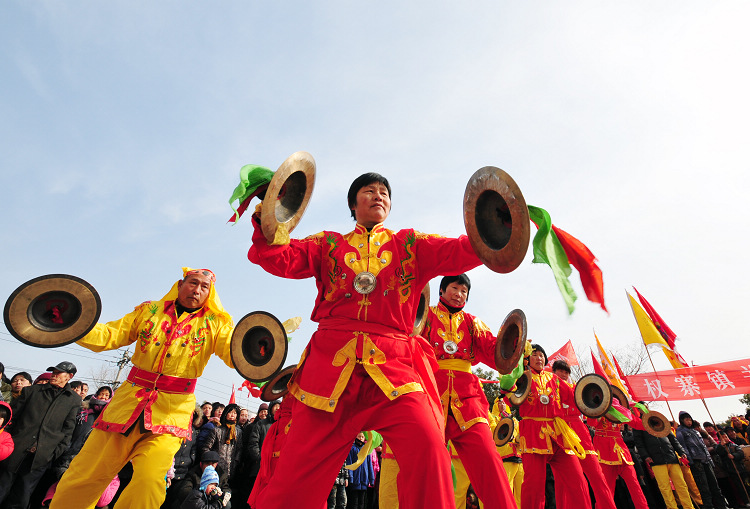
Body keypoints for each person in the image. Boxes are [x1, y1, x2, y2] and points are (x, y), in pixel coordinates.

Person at [247, 172, 483, 509]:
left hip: (396, 371)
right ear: (353, 204)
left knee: (430, 448)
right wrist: (269, 211)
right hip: (330, 373)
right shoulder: (328, 245)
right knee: (294, 476)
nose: (379, 196)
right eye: (369, 191)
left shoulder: (411, 245)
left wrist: (497, 223)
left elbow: (461, 251)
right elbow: (280, 257)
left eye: (385, 192)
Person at [49, 268, 236, 509]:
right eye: (193, 282)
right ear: (180, 285)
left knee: (148, 482)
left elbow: (236, 352)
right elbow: (111, 334)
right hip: (125, 407)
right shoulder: (150, 311)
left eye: (204, 287)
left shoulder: (217, 324)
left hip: (171, 415)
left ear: (210, 294)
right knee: (84, 476)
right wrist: (74, 323)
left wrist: (261, 356)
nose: (197, 289)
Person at [421, 273, 516, 508]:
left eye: (464, 291)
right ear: (442, 291)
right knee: (429, 462)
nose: (459, 294)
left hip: (469, 397)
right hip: (430, 390)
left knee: (489, 458)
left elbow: (495, 352)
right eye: (455, 288)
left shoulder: (474, 322)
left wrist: (515, 344)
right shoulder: (425, 315)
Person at [516, 344, 592, 509]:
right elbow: (510, 396)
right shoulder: (521, 377)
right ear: (528, 359)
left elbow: (574, 397)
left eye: (542, 355)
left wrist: (594, 396)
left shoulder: (554, 379)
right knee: (534, 486)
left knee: (578, 480)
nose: (539, 358)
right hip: (532, 435)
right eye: (534, 354)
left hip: (559, 434)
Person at [0, 361, 81, 509]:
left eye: (58, 373)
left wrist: (53, 453)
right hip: (15, 450)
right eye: (53, 372)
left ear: (69, 376)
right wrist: (9, 440)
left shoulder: (74, 400)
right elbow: (11, 417)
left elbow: (68, 430)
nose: (54, 375)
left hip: (41, 457)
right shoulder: (32, 391)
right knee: (2, 487)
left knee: (22, 497)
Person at [632, 414, 693, 509]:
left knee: (681, 485)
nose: (644, 409)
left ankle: (689, 507)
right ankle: (672, 507)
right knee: (665, 488)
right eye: (641, 408)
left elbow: (673, 439)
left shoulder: (660, 420)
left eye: (646, 407)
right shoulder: (638, 424)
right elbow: (639, 443)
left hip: (671, 457)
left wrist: (681, 451)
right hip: (656, 460)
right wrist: (646, 456)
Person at [676, 411, 726, 509]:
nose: (689, 421)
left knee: (715, 486)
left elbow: (703, 446)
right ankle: (709, 507)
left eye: (690, 419)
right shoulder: (680, 432)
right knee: (704, 488)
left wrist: (710, 461)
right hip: (696, 462)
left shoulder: (695, 431)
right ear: (682, 420)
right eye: (686, 419)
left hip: (706, 460)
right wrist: (691, 462)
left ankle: (722, 506)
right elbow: (683, 448)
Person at [202, 403, 243, 482]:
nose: (232, 415)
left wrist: (236, 462)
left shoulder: (238, 432)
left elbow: (239, 449)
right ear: (225, 414)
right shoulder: (217, 430)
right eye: (230, 412)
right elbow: (206, 448)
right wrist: (211, 462)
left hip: (231, 467)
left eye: (235, 413)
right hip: (215, 467)